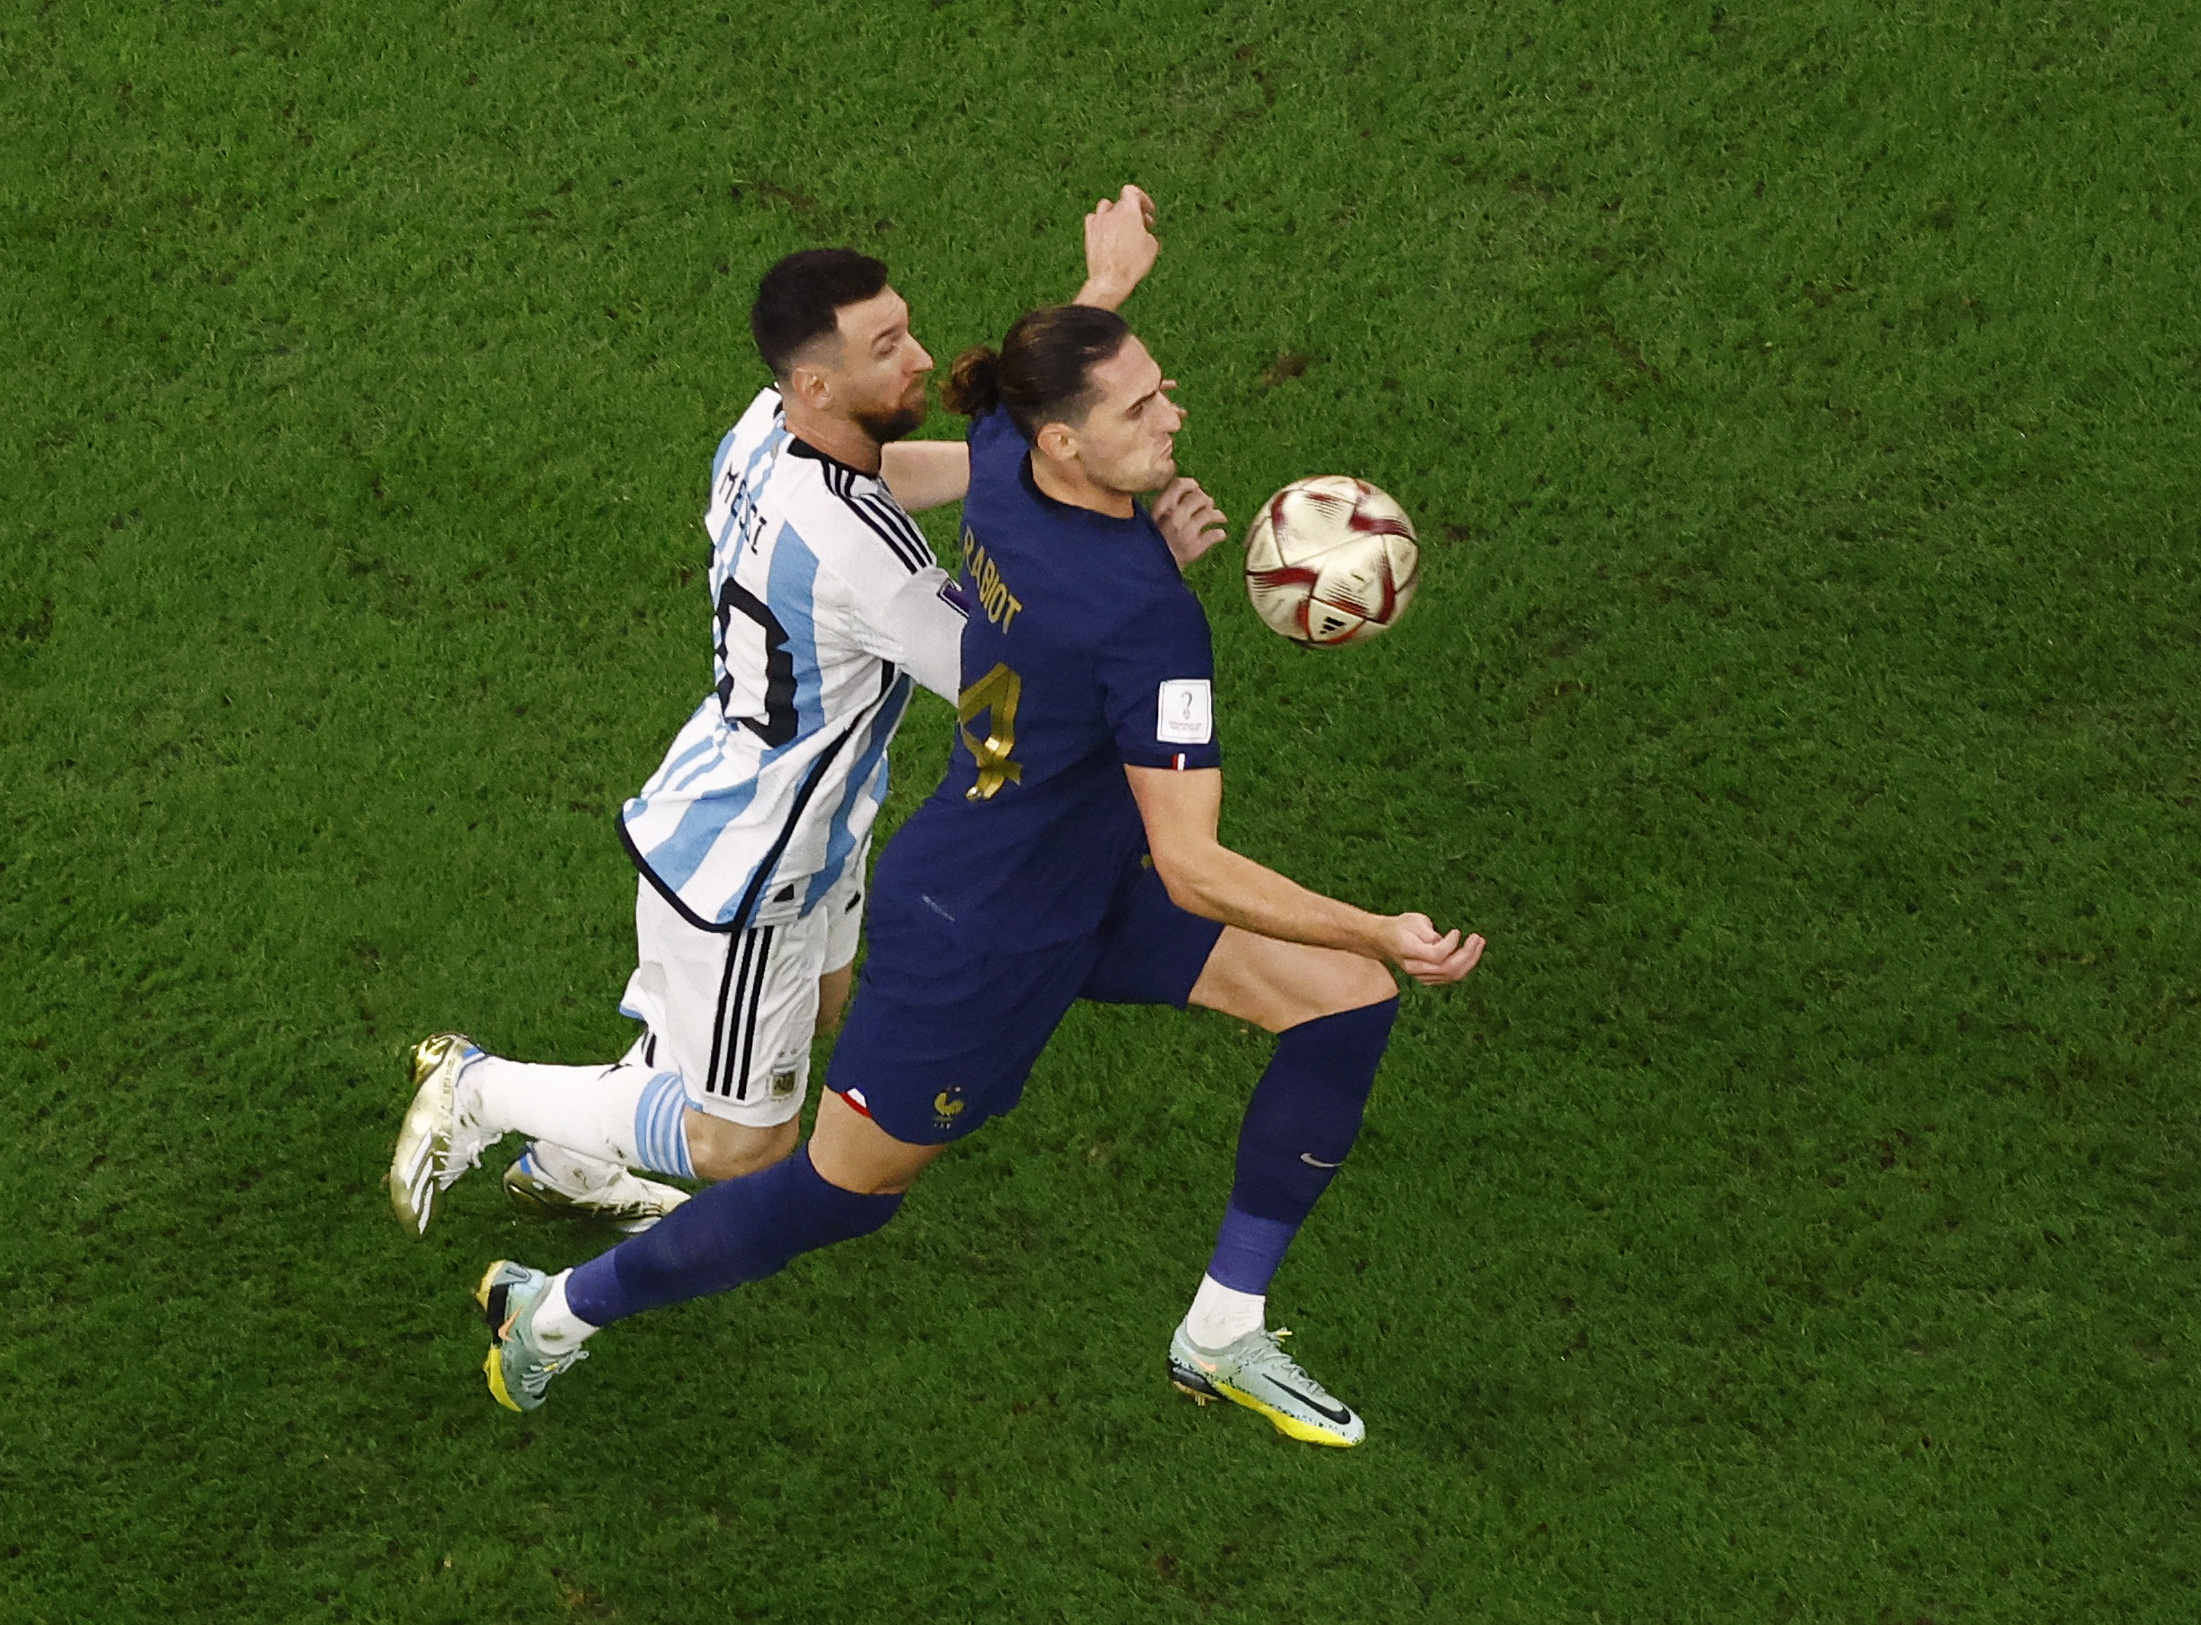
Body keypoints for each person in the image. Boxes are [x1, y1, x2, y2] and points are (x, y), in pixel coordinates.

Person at [470, 304, 1482, 1446]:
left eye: (1160, 388)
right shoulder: (1148, 619)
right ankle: (550, 1310)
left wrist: (1104, 287)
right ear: (1064, 439)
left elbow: (1031, 436)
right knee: (832, 1196)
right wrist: (1377, 923)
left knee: (1343, 1000)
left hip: (1071, 869)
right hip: (978, 930)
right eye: (1141, 405)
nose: (1175, 415)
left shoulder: (1004, 454)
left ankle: (1219, 1330)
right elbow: (1193, 866)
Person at [386, 189, 1204, 1237]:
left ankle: (572, 1162)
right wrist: (1144, 559)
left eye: (903, 326)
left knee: (813, 1008)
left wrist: (1085, 333)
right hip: (752, 855)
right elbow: (1012, 688)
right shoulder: (872, 568)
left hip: (797, 814)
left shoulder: (770, 427)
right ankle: (477, 1086)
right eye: (887, 346)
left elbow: (905, 470)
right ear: (819, 379)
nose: (918, 357)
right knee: (744, 1140)